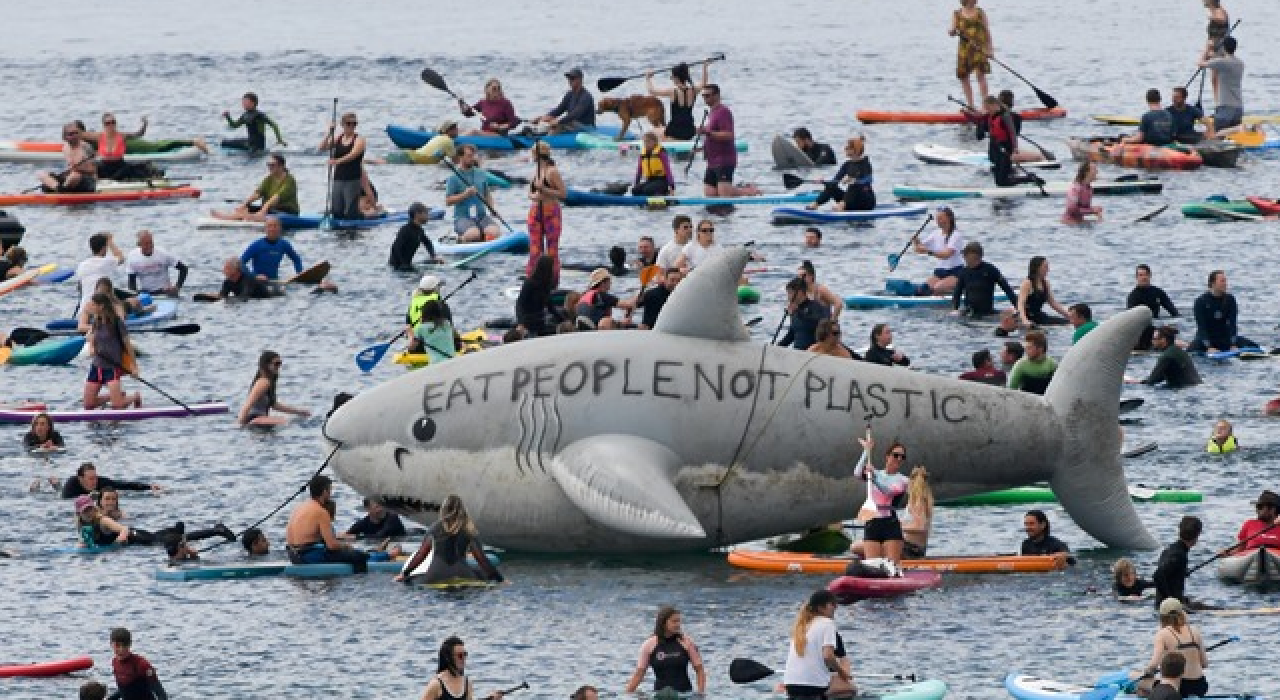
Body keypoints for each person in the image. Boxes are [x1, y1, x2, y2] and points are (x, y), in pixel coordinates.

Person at [396, 494, 503, 585]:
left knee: (410, 579)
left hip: (436, 575)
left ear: (443, 509)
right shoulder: (469, 530)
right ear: (463, 510)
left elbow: (421, 554)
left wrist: (404, 574)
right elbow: (482, 560)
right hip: (462, 574)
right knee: (482, 574)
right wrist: (500, 579)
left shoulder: (434, 528)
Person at [285, 475, 368, 573]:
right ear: (325, 492)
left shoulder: (299, 508)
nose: (330, 494)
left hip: (293, 556)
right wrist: (346, 546)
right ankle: (358, 581)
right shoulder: (321, 512)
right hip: (309, 557)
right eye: (330, 490)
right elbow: (331, 545)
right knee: (360, 556)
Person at [783, 590, 852, 699]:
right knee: (849, 691)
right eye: (832, 604)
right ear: (820, 608)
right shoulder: (827, 623)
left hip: (790, 684)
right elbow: (828, 656)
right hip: (813, 685)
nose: (836, 607)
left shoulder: (801, 625)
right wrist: (842, 673)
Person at [624, 606, 706, 695]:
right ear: (663, 623)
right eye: (674, 621)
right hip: (659, 695)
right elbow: (639, 674)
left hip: (684, 694)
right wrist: (626, 694)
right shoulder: (648, 645)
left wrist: (701, 693)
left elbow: (700, 670)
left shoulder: (687, 642)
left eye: (679, 621)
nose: (678, 624)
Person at [855, 435, 909, 564]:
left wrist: (874, 478)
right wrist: (866, 451)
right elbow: (857, 473)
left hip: (890, 524)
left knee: (892, 566)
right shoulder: (875, 473)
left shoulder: (903, 480)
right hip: (872, 521)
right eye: (896, 455)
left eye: (902, 457)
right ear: (887, 456)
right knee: (873, 566)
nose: (899, 459)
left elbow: (888, 491)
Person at [83, 292, 140, 410]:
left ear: (101, 306)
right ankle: (116, 396)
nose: (90, 306)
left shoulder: (117, 322)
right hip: (97, 367)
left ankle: (135, 396)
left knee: (117, 406)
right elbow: (92, 338)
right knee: (89, 405)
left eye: (93, 304)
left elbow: (128, 346)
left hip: (112, 367)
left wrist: (134, 367)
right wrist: (92, 347)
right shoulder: (96, 322)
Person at [699, 84, 759, 197]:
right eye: (703, 96)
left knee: (724, 194)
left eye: (707, 95)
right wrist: (701, 148)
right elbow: (712, 135)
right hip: (712, 161)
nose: (705, 98)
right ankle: (746, 189)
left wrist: (707, 132)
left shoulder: (723, 112)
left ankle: (750, 192)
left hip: (724, 160)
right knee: (710, 193)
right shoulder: (712, 112)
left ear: (717, 95)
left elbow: (729, 135)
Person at [1143, 598, 1209, 698]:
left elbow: (1154, 665)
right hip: (1200, 686)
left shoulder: (1162, 634)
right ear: (1182, 613)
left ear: (1162, 617)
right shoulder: (1195, 631)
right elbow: (1204, 664)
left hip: (1178, 688)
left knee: (1139, 683)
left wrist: (1147, 672)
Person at [211, 153, 299, 221]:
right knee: (247, 208)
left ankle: (231, 217)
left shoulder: (289, 181)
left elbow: (276, 197)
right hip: (270, 209)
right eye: (268, 165)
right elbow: (258, 194)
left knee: (267, 211)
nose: (270, 167)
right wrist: (244, 205)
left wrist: (263, 210)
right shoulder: (269, 179)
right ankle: (237, 216)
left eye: (273, 165)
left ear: (281, 166)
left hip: (288, 212)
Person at [417, 636, 505, 700]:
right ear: (448, 657)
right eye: (460, 655)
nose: (463, 658)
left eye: (465, 654)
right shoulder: (436, 684)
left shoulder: (467, 684)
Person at [527, 141, 567, 282]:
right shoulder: (536, 171)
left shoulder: (552, 171)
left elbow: (563, 193)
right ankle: (532, 279)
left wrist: (544, 190)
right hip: (535, 212)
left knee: (552, 250)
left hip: (551, 212)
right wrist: (536, 196)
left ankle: (552, 280)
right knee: (535, 249)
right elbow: (530, 193)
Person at [238, 350, 310, 427]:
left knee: (289, 421)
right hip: (254, 419)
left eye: (280, 363)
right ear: (266, 365)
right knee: (288, 422)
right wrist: (240, 425)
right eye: (276, 364)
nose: (279, 367)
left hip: (261, 419)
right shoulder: (263, 382)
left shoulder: (269, 382)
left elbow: (274, 405)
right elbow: (247, 405)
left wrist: (299, 412)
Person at [1190, 269, 1256, 352]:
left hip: (1224, 338)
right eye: (1222, 281)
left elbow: (1232, 324)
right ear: (1213, 283)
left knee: (1253, 346)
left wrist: (1233, 344)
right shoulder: (1201, 301)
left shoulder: (1230, 299)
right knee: (1191, 349)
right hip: (1206, 338)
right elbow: (1201, 327)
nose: (1225, 284)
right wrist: (1209, 347)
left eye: (1225, 281)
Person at [446, 145, 501, 244]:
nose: (472, 158)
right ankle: (459, 240)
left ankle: (484, 237)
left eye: (473, 155)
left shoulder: (481, 173)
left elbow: (487, 194)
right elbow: (448, 201)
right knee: (474, 234)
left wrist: (492, 209)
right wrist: (465, 194)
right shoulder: (453, 178)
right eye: (469, 156)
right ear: (460, 157)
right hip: (463, 218)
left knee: (494, 232)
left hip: (481, 216)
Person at [83, 112, 161, 181]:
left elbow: (139, 134)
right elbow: (80, 134)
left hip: (120, 166)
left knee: (140, 168)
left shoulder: (122, 135)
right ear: (104, 125)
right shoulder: (98, 136)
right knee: (93, 167)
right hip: (104, 166)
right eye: (108, 123)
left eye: (113, 122)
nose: (111, 125)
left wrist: (144, 124)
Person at [982, 96, 1040, 187]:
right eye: (985, 108)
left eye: (988, 108)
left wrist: (1015, 147)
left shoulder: (1005, 116)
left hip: (1005, 148)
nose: (987, 110)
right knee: (998, 181)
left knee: (1003, 182)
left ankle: (1029, 178)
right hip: (996, 149)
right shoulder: (991, 117)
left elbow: (1012, 132)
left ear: (994, 105)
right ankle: (1026, 179)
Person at [318, 112, 366, 221]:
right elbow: (322, 148)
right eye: (348, 123)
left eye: (354, 124)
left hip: (352, 179)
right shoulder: (338, 138)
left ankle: (365, 217)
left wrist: (337, 161)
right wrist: (329, 133)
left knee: (350, 212)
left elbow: (353, 154)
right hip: (338, 178)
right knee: (337, 210)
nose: (351, 126)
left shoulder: (359, 140)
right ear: (342, 124)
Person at [950, 242, 1018, 318]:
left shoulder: (990, 270)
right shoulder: (964, 272)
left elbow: (1007, 289)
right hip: (969, 313)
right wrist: (955, 309)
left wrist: (1018, 307)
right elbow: (957, 292)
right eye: (966, 258)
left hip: (988, 313)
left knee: (1009, 314)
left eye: (971, 258)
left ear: (979, 257)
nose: (966, 260)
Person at [807, 136, 874, 212]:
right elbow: (835, 180)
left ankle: (841, 205)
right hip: (851, 202)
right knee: (831, 186)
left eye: (848, 148)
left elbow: (868, 180)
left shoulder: (866, 164)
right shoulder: (847, 164)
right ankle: (815, 204)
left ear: (856, 150)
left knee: (854, 186)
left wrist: (854, 181)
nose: (845, 149)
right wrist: (823, 182)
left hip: (866, 203)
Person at [646, 62, 708, 141]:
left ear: (677, 78)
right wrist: (704, 67)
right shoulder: (694, 90)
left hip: (674, 131)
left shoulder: (673, 91)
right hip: (690, 130)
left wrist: (648, 78)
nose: (671, 79)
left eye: (672, 77)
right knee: (661, 129)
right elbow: (704, 83)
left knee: (653, 132)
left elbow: (652, 91)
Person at [950, 0, 993, 108]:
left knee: (980, 75)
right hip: (964, 50)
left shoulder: (980, 12)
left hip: (979, 48)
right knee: (964, 76)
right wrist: (952, 31)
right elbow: (952, 30)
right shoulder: (957, 14)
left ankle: (985, 107)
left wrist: (990, 50)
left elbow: (987, 32)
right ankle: (971, 105)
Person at [913, 206, 966, 293]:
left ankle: (958, 290)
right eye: (937, 218)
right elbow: (918, 249)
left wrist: (929, 251)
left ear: (949, 218)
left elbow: (946, 255)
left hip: (956, 272)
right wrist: (916, 241)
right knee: (922, 289)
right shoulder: (935, 233)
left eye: (940, 218)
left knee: (938, 288)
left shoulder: (956, 235)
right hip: (940, 271)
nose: (938, 221)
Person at [1127, 264, 1180, 350]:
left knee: (1176, 341)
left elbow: (1173, 311)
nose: (1144, 277)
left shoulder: (1158, 292)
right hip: (1141, 330)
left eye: (1146, 275)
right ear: (1136, 277)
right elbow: (1131, 319)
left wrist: (1173, 324)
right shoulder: (1133, 297)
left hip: (1156, 326)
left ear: (1150, 275)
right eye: (1141, 275)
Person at [1154, 516, 1201, 609]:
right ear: (1197, 536)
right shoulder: (1179, 555)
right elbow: (1158, 575)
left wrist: (1181, 573)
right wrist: (1170, 600)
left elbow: (1167, 576)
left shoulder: (1169, 549)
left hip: (1164, 604)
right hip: (1169, 608)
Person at [109, 627, 168, 700]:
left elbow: (161, 694)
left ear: (130, 644)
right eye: (117, 645)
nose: (121, 649)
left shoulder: (142, 664)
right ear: (111, 644)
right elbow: (124, 690)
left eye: (125, 645)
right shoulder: (115, 662)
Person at [1134, 327, 1202, 389]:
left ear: (1163, 340)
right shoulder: (1178, 351)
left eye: (1154, 339)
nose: (1152, 341)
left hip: (1184, 390)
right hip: (1195, 386)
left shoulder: (1167, 356)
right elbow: (1160, 377)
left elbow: (1151, 381)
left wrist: (1135, 382)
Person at [38, 122, 97, 193]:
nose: (74, 136)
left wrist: (79, 168)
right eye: (71, 134)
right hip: (69, 178)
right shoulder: (65, 147)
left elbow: (93, 170)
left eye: (76, 133)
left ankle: (61, 190)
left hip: (85, 179)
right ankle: (59, 189)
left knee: (75, 175)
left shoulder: (86, 147)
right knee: (41, 174)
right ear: (65, 137)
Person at [1200, 36, 1243, 131]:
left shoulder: (1222, 62)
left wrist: (1206, 48)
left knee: (1217, 135)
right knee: (1232, 136)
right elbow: (1217, 62)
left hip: (1225, 107)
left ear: (1223, 48)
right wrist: (1213, 55)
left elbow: (1200, 63)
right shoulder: (1240, 63)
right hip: (1238, 107)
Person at [125, 231, 187, 297]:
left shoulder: (163, 253)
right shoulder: (132, 257)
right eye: (146, 244)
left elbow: (183, 268)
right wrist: (134, 296)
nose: (149, 246)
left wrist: (177, 287)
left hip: (164, 292)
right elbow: (132, 282)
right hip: (146, 293)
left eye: (151, 243)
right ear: (139, 245)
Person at [75, 233, 124, 314]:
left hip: (84, 309)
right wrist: (110, 241)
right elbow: (121, 258)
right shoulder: (106, 262)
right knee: (133, 301)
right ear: (104, 248)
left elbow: (79, 288)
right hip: (101, 309)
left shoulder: (82, 265)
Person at [240, 217, 303, 281]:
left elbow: (297, 260)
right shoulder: (257, 245)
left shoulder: (284, 244)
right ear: (265, 229)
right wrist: (254, 276)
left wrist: (299, 274)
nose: (272, 229)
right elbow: (240, 263)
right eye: (269, 226)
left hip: (274, 280)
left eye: (275, 226)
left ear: (280, 228)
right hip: (258, 281)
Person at [515, 255, 563, 337]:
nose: (553, 270)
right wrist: (521, 323)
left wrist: (563, 320)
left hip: (540, 321)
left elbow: (550, 306)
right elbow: (519, 304)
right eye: (552, 267)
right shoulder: (529, 283)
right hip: (527, 321)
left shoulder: (546, 285)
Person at [221, 92, 286, 152]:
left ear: (253, 103)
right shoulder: (245, 115)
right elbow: (234, 126)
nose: (243, 104)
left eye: (246, 102)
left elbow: (274, 125)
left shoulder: (259, 115)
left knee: (248, 150)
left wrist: (279, 140)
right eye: (243, 102)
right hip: (250, 141)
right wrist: (228, 117)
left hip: (257, 145)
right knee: (224, 143)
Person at [537, 68, 595, 133]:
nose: (570, 81)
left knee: (557, 125)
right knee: (547, 121)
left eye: (572, 78)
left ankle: (548, 137)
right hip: (573, 124)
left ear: (580, 80)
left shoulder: (586, 97)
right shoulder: (569, 94)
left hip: (587, 128)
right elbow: (559, 110)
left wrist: (559, 121)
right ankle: (538, 134)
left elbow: (575, 114)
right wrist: (544, 117)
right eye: (569, 78)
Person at [778, 277, 829, 351]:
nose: (788, 297)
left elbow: (817, 323)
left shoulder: (815, 306)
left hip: (813, 352)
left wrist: (798, 312)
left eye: (790, 293)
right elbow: (792, 334)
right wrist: (776, 347)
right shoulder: (795, 311)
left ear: (800, 292)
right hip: (798, 353)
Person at [1016, 256, 1069, 327]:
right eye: (1045, 267)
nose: (1048, 270)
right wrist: (1024, 320)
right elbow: (1020, 304)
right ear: (1037, 268)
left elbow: (1053, 303)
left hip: (1039, 316)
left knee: (1068, 323)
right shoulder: (1027, 283)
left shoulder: (1046, 283)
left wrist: (1068, 315)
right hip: (1027, 317)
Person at [61, 462, 159, 499]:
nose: (94, 481)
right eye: (91, 479)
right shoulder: (71, 484)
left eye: (95, 477)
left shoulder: (102, 482)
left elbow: (125, 485)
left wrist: (149, 487)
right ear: (81, 478)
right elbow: (65, 501)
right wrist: (87, 498)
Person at [389, 202, 441, 270]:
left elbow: (427, 243)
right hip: (397, 267)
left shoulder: (419, 230)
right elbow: (395, 248)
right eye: (426, 213)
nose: (428, 216)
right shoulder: (405, 230)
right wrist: (404, 264)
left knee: (437, 263)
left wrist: (433, 256)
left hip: (407, 264)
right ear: (417, 214)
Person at [1227, 490, 1280, 555]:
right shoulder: (1249, 524)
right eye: (1259, 507)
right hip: (1251, 556)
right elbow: (1240, 549)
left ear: (1275, 511)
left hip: (1275, 556)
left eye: (1268, 508)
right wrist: (1227, 553)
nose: (1259, 510)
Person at [901, 466, 933, 559]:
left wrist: (899, 527)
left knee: (859, 546)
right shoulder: (923, 500)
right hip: (914, 547)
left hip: (912, 549)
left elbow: (920, 526)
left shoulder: (918, 502)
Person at [209, 258, 275, 301]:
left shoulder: (247, 280)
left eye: (227, 268)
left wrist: (229, 300)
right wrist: (205, 297)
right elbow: (222, 296)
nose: (223, 270)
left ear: (235, 270)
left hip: (269, 299)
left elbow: (244, 298)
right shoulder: (228, 282)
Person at [632, 132, 675, 196]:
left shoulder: (661, 153)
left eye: (648, 142)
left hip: (662, 181)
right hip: (650, 181)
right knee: (635, 191)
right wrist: (636, 184)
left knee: (647, 190)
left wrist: (672, 186)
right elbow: (639, 171)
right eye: (645, 142)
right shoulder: (643, 155)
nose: (646, 144)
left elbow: (667, 170)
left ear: (654, 142)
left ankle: (665, 192)